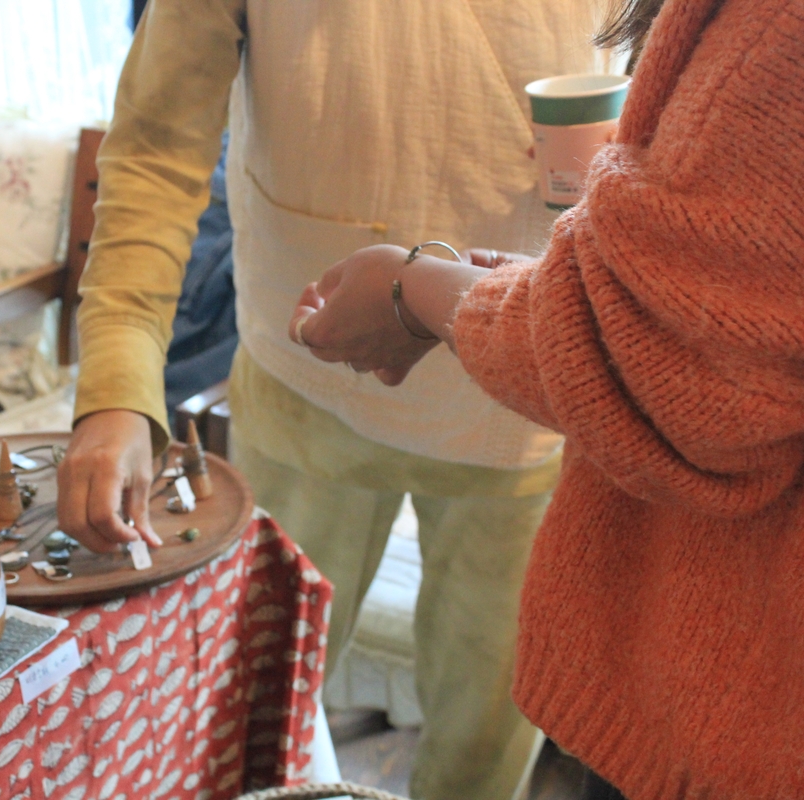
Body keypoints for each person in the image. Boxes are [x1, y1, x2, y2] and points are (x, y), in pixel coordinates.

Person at [56, 1, 599, 797]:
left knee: (485, 754)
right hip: (304, 374)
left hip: (528, 389)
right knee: (259, 716)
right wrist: (115, 386)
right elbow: (158, 152)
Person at [289, 0, 804, 797]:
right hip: (337, 393)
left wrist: (416, 290)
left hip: (737, 689)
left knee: (482, 729)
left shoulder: (775, 31)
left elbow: (683, 366)